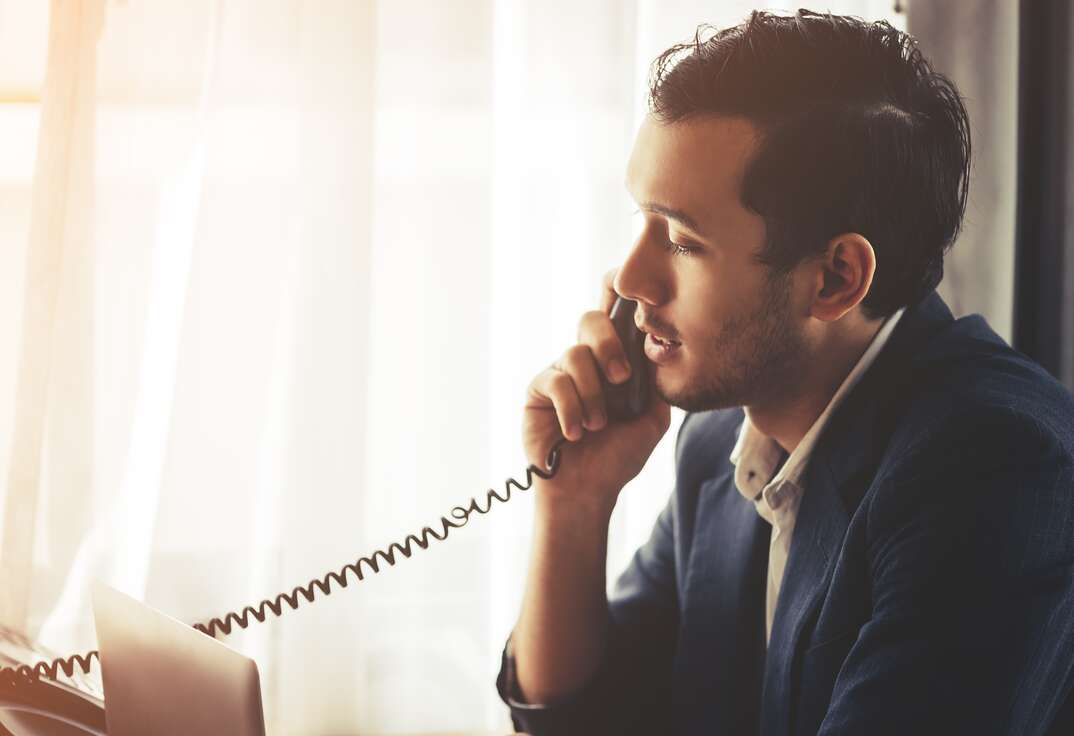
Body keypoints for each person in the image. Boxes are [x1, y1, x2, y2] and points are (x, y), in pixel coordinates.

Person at [494, 9, 1074, 736]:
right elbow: (582, 721)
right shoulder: (717, 441)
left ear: (834, 278)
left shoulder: (997, 470)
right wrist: (572, 507)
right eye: (643, 220)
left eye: (680, 240)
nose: (630, 278)